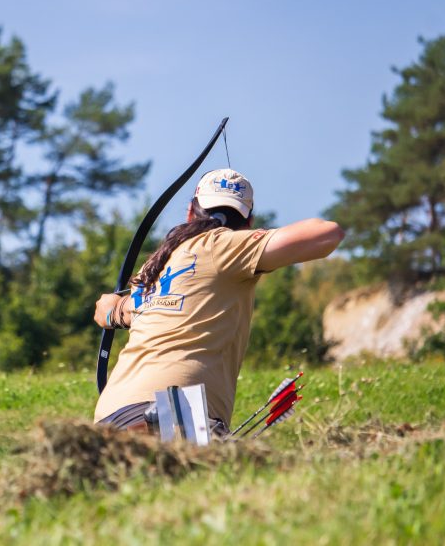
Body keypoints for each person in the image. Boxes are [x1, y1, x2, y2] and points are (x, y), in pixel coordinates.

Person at [92, 168, 345, 434]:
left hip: (112, 414)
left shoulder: (158, 264)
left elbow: (110, 311)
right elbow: (328, 234)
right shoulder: (223, 244)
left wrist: (115, 310)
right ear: (248, 222)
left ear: (191, 212)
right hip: (175, 411)